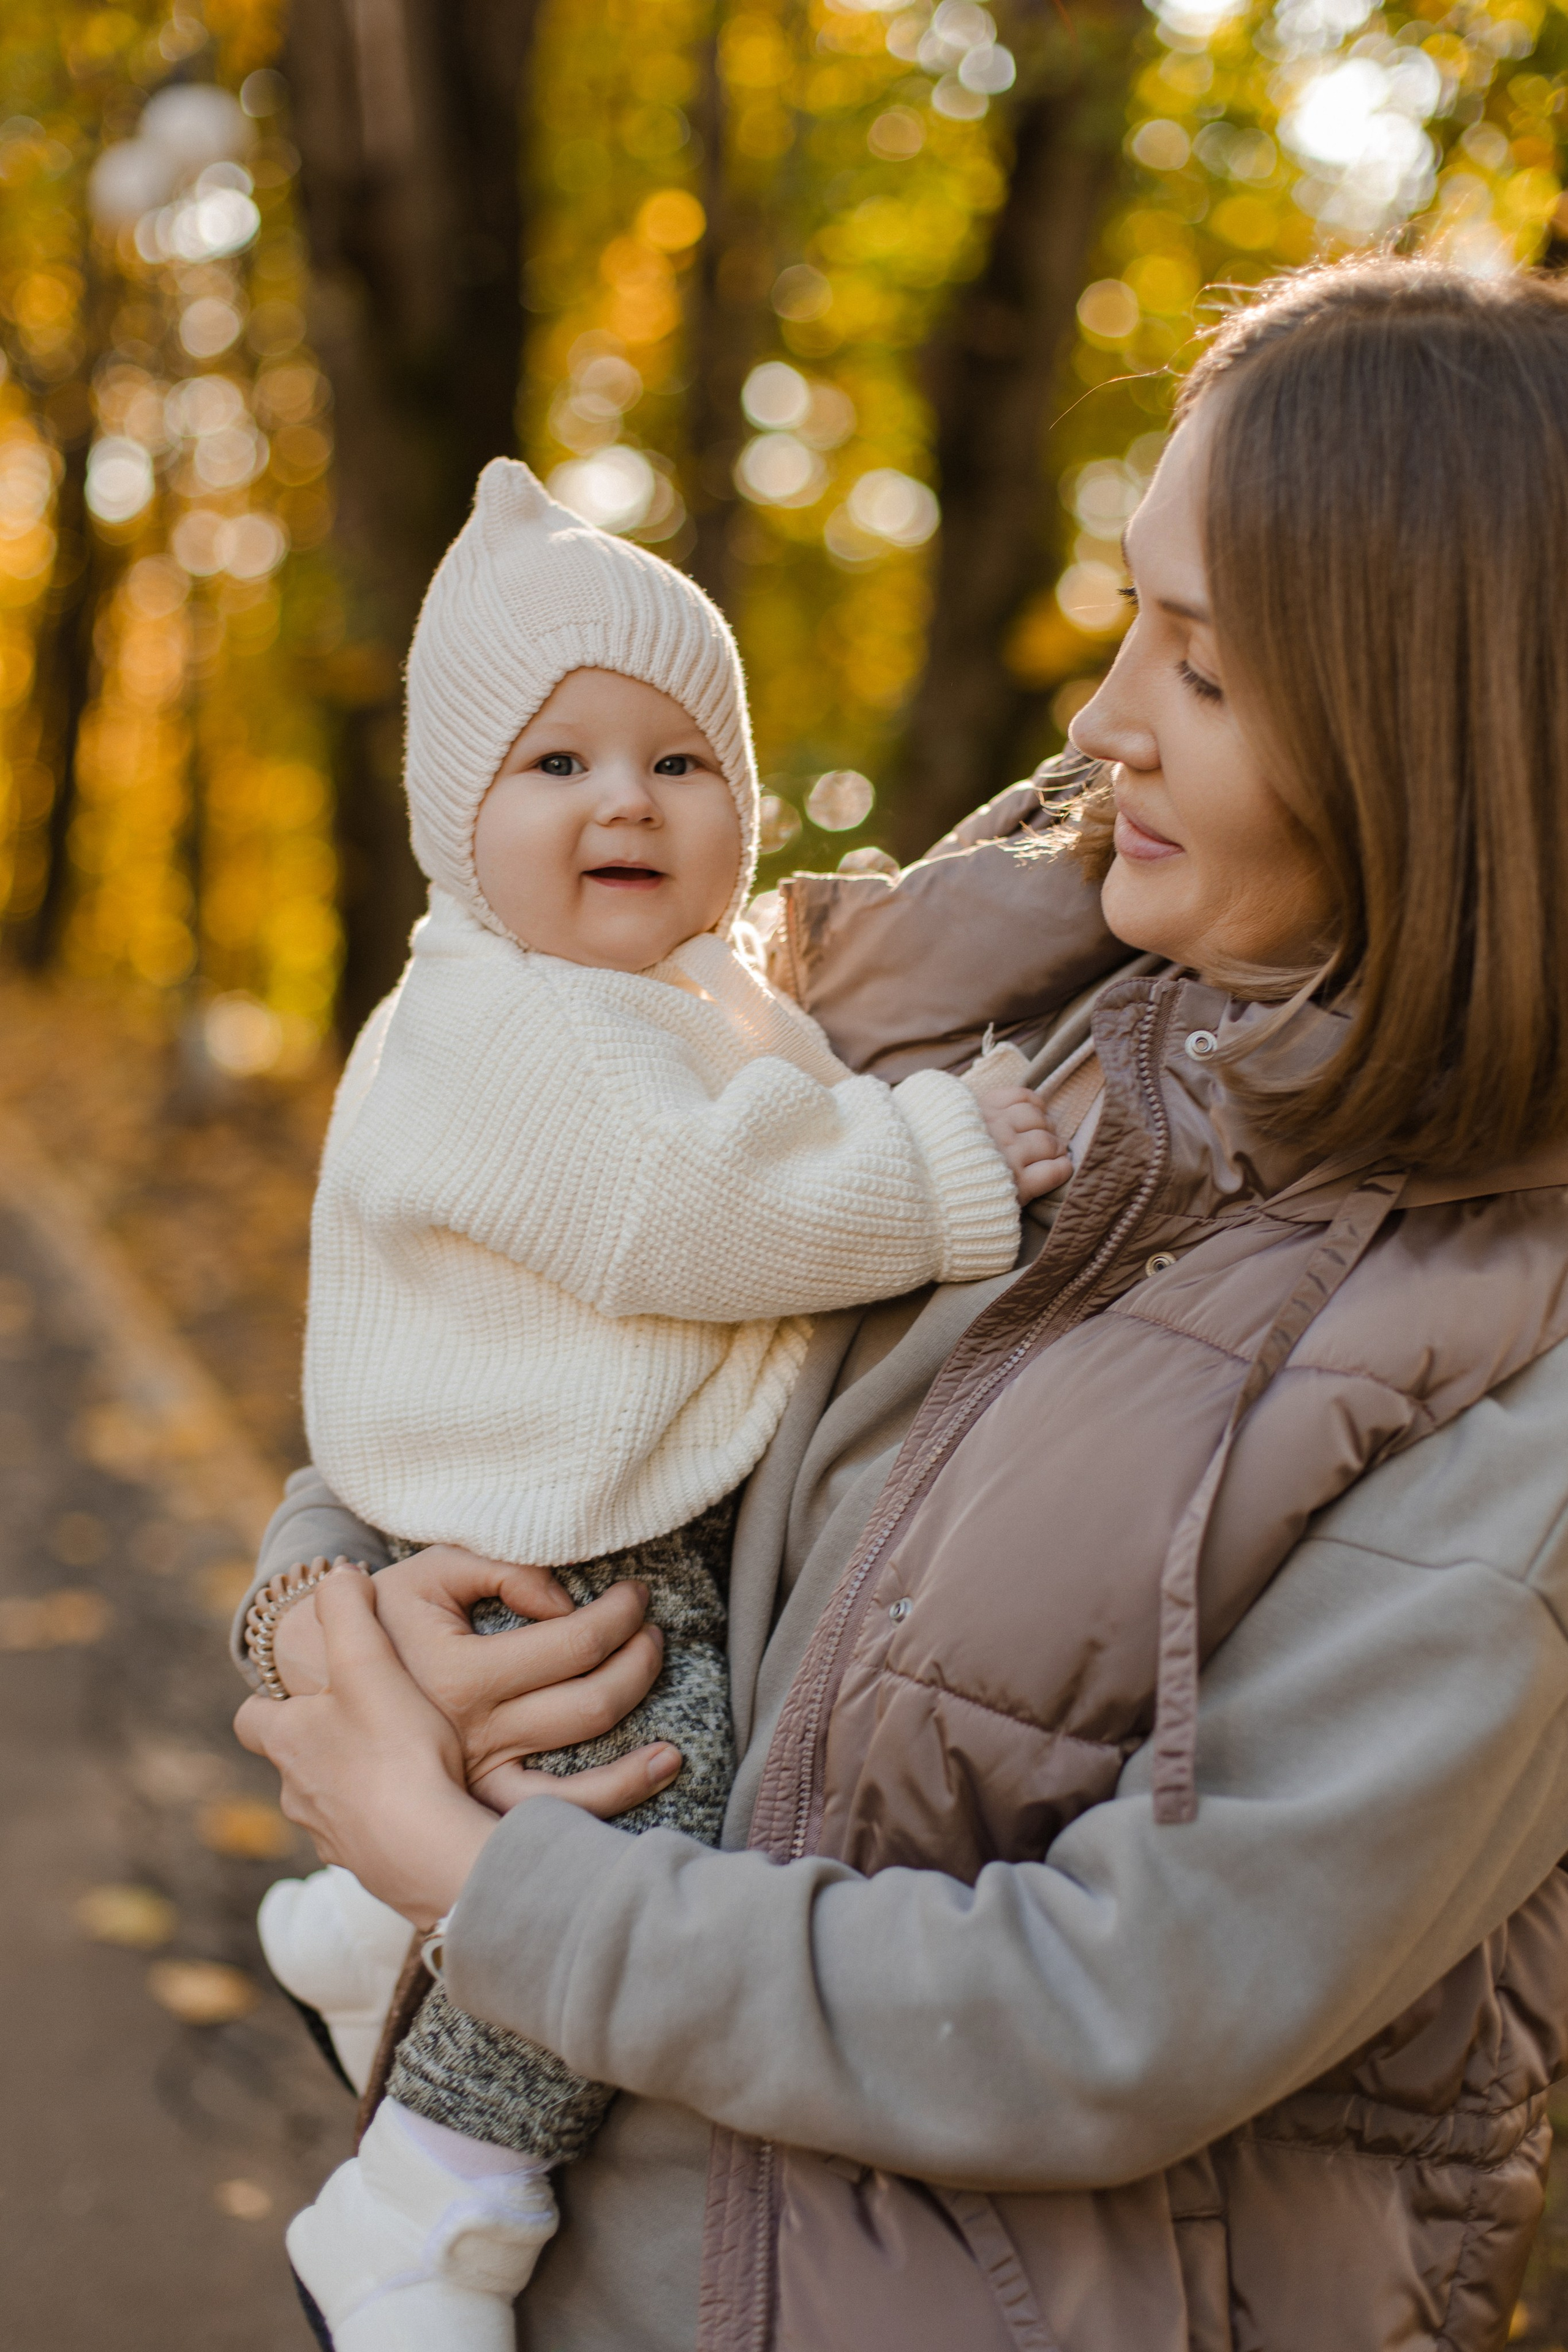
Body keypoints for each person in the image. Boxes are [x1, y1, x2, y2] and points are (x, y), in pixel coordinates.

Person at [239, 258, 1568, 2352]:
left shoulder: (1507, 1378)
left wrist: (484, 1889)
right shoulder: (980, 1021)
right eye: (1132, 607)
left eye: (1203, 669)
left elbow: (1114, 2013)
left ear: (1445, 740)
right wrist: (337, 1613)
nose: (1099, 714)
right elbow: (534, 1338)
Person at [250, 456, 1077, 2352]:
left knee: (574, 1789)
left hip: (526, 1505)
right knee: (643, 1799)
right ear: (457, 819)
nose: (626, 796)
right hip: (552, 1545)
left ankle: (368, 1929)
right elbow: (688, 1211)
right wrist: (948, 1159)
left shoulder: (661, 996)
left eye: (679, 762)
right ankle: (427, 2200)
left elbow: (730, 1123)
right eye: (556, 765)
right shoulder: (516, 1018)